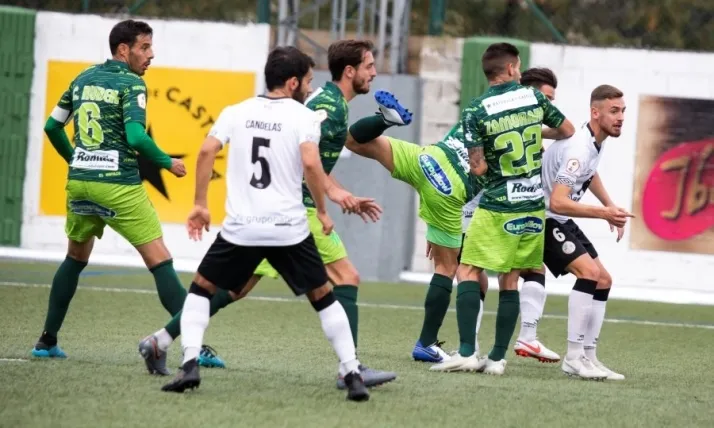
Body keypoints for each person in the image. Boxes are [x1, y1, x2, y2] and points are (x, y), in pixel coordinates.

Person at [140, 40, 394, 391]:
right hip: (294, 215)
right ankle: (351, 369)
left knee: (225, 289)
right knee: (342, 281)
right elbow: (310, 163)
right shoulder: (318, 110)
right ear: (294, 82)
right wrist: (328, 203)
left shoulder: (241, 110)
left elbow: (209, 150)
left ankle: (166, 345)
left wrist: (200, 203)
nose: (374, 72)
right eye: (369, 66)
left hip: (248, 222)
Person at [32, 19, 188, 359]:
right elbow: (135, 137)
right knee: (160, 261)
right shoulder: (132, 83)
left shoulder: (82, 78)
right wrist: (167, 162)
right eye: (144, 47)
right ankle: (197, 346)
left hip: (80, 184)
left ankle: (46, 341)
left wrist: (77, 160)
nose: (151, 54)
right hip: (118, 185)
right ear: (123, 49)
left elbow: (52, 126)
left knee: (75, 258)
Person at [430, 42, 575, 375]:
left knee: (468, 271)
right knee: (510, 280)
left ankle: (467, 352)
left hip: (498, 203)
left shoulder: (476, 110)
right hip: (533, 205)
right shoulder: (534, 98)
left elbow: (478, 167)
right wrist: (534, 133)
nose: (520, 72)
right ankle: (496, 359)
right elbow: (566, 130)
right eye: (519, 66)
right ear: (510, 68)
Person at [542, 85, 630, 380]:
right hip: (543, 219)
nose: (620, 117)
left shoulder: (594, 141)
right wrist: (604, 214)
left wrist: (609, 205)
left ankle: (588, 356)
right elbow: (557, 201)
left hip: (559, 219)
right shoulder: (579, 148)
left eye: (623, 111)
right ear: (595, 112)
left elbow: (589, 174)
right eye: (614, 111)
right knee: (589, 274)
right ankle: (573, 357)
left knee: (604, 279)